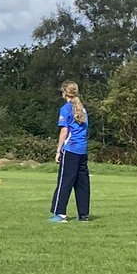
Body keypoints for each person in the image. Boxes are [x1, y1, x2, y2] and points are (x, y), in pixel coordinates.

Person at [50, 81, 90, 223]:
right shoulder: (82, 109)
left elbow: (64, 131)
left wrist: (58, 151)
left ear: (64, 93)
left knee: (64, 182)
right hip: (82, 150)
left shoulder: (66, 108)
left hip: (71, 149)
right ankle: (83, 214)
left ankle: (60, 214)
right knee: (82, 183)